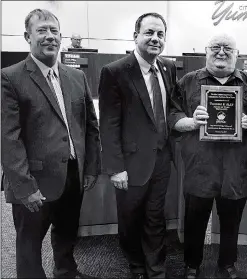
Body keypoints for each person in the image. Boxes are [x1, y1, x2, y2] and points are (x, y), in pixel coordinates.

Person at [1, 9, 101, 278]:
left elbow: (90, 126)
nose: (49, 37)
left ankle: (66, 272)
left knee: (67, 233)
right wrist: (25, 187)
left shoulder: (76, 77)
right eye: (42, 30)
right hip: (33, 181)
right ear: (27, 36)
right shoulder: (10, 77)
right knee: (29, 245)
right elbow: (7, 139)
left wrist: (90, 168)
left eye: (54, 31)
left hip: (71, 174)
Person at [168, 34, 247, 279]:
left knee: (231, 220)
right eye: (216, 47)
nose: (221, 52)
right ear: (206, 51)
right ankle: (191, 264)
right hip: (199, 166)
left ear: (237, 53)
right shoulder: (188, 82)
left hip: (236, 167)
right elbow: (172, 116)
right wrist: (191, 122)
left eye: (228, 48)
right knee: (194, 220)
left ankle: (227, 264)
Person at [98, 13, 177, 279]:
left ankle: (156, 269)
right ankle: (135, 264)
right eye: (149, 33)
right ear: (136, 36)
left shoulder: (168, 67)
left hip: (161, 161)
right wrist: (115, 168)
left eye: (160, 34)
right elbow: (108, 125)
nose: (155, 38)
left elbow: (171, 111)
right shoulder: (115, 72)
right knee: (130, 219)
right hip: (130, 165)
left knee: (156, 218)